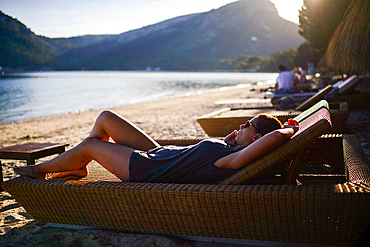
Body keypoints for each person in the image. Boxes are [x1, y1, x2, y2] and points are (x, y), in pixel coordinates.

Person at [14, 110, 298, 184]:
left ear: (258, 139)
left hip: (145, 168)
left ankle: (40, 170)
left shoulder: (231, 160)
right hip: (157, 153)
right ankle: (81, 166)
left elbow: (274, 138)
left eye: (248, 125)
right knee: (105, 119)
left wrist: (288, 129)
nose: (243, 126)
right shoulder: (229, 147)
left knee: (90, 144)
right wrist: (233, 137)